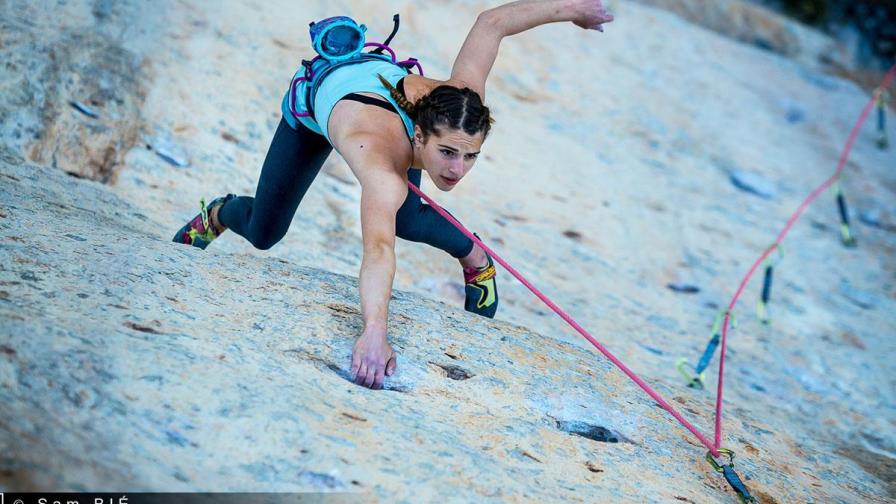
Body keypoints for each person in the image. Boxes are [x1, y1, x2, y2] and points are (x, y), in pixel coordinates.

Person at [173, 0, 614, 389]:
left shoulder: (461, 106)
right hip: (318, 104)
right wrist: (373, 331)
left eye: (470, 156)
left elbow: (492, 23)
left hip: (384, 102)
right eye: (446, 154)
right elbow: (378, 250)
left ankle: (475, 259)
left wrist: (574, 8)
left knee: (407, 215)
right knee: (265, 232)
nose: (456, 171)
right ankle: (219, 213)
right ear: (419, 135)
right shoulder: (382, 169)